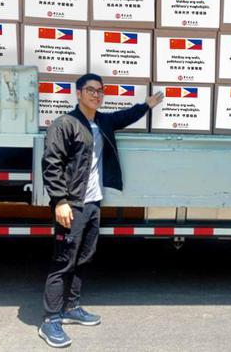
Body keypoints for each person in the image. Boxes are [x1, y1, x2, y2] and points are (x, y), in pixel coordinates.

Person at [39, 73, 163, 348]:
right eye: (91, 90)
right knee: (64, 261)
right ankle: (50, 320)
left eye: (100, 91)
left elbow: (124, 116)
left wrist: (147, 105)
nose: (96, 95)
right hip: (72, 204)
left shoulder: (102, 122)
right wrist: (59, 201)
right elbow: (51, 163)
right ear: (78, 93)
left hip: (93, 202)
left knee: (84, 256)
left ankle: (71, 308)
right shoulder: (65, 124)